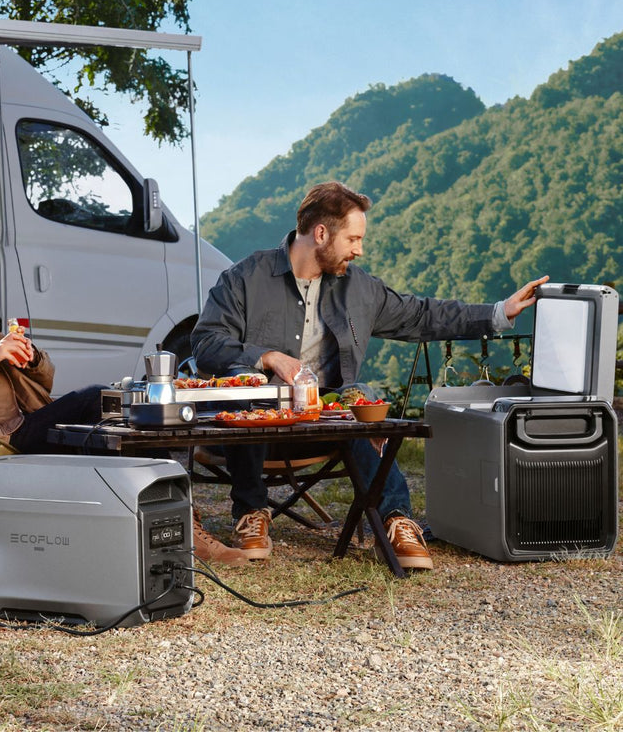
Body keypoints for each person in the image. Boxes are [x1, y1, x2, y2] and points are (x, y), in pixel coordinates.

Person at [190, 181, 549, 569]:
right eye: (354, 239)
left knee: (361, 396)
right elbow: (205, 342)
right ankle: (252, 512)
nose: (359, 250)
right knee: (253, 389)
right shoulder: (244, 277)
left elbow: (422, 315)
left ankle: (395, 521)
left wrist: (499, 312)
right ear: (322, 233)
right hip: (252, 431)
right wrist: (268, 358)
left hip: (327, 425)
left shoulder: (359, 288)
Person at [0, 232, 251, 565]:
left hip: (27, 418)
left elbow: (43, 382)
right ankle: (180, 525)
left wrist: (29, 356)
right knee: (97, 401)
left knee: (116, 410)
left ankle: (174, 520)